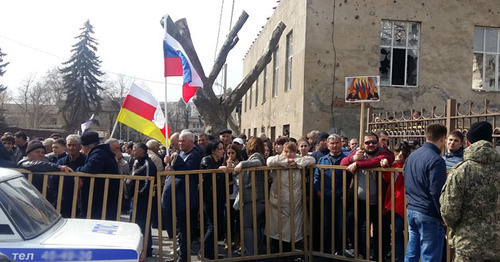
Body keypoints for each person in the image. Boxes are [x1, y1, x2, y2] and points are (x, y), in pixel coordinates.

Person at [440, 121, 500, 261]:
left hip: (468, 246)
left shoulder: (461, 171)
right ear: (491, 142)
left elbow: (449, 211)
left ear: (467, 143)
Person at [341, 132, 393, 259]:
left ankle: (379, 256)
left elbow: (377, 161)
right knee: (354, 227)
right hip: (359, 200)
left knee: (381, 231)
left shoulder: (384, 152)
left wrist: (358, 164)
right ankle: (361, 253)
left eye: (373, 142)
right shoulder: (359, 152)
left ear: (378, 143)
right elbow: (343, 163)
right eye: (367, 142)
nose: (370, 145)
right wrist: (353, 159)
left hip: (378, 201)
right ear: (363, 144)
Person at [404, 123, 447, 262]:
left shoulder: (412, 156)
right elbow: (436, 192)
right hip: (428, 212)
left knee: (412, 252)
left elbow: (406, 176)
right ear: (442, 139)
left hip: (412, 208)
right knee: (430, 256)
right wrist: (442, 215)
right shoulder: (436, 160)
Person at [267, 142, 315, 254]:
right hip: (278, 202)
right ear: (282, 151)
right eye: (286, 151)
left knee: (293, 232)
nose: (289, 154)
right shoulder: (277, 159)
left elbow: (312, 160)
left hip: (295, 203)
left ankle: (290, 254)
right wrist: (287, 162)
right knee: (278, 231)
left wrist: (296, 162)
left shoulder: (299, 159)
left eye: (292, 152)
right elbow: (269, 161)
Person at [163, 131, 202, 262]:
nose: (180, 143)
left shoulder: (194, 156)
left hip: (188, 200)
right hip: (178, 199)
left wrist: (175, 160)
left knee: (185, 231)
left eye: (182, 141)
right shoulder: (180, 154)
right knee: (180, 230)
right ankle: (179, 256)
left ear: (191, 142)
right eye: (179, 141)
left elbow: (186, 171)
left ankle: (183, 258)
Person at [313, 134, 348, 254]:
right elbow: (316, 177)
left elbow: (351, 179)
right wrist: (318, 191)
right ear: (327, 145)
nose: (335, 145)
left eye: (337, 143)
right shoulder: (322, 160)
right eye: (332, 143)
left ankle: (340, 252)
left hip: (340, 198)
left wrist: (346, 194)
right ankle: (326, 252)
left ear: (341, 144)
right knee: (326, 227)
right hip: (325, 198)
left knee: (340, 227)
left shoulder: (345, 159)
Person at [76, 131, 121, 220]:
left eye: (82, 147)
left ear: (87, 147)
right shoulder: (101, 151)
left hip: (100, 198)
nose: (82, 150)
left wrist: (78, 170)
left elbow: (91, 169)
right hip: (103, 197)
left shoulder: (98, 153)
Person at [234, 137, 266, 256]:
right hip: (259, 199)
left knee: (246, 226)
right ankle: (255, 251)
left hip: (253, 198)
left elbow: (256, 163)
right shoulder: (260, 155)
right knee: (255, 227)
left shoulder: (256, 156)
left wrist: (242, 163)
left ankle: (250, 252)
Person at [381, 142, 411, 262]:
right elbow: (388, 179)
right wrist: (385, 167)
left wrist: (397, 164)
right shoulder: (395, 165)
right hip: (395, 202)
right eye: (396, 152)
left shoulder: (408, 164)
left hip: (405, 203)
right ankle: (399, 258)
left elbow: (405, 177)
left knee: (403, 232)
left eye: (401, 153)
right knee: (397, 233)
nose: (398, 155)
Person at [199, 140, 225, 260]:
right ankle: (203, 252)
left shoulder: (219, 160)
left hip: (218, 196)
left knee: (217, 225)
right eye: (220, 149)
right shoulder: (207, 159)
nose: (222, 151)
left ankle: (210, 252)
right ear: (213, 150)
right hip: (208, 197)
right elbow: (207, 174)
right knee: (212, 225)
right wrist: (219, 170)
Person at [129, 142, 156, 257]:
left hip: (142, 201)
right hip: (134, 200)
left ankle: (146, 249)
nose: (133, 152)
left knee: (143, 224)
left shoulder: (147, 163)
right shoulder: (137, 162)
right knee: (134, 223)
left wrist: (137, 195)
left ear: (141, 151)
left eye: (135, 150)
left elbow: (148, 182)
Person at [53, 134, 86, 218]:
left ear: (80, 147)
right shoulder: (61, 162)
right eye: (69, 145)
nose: (71, 148)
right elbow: (54, 180)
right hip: (64, 200)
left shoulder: (86, 161)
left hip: (81, 201)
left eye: (74, 145)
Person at [219, 144, 242, 250]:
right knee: (228, 219)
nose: (231, 155)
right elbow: (223, 181)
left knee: (238, 219)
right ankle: (228, 240)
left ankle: (238, 241)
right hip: (228, 195)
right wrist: (228, 169)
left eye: (233, 153)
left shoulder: (240, 163)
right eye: (228, 153)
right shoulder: (223, 164)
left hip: (238, 195)